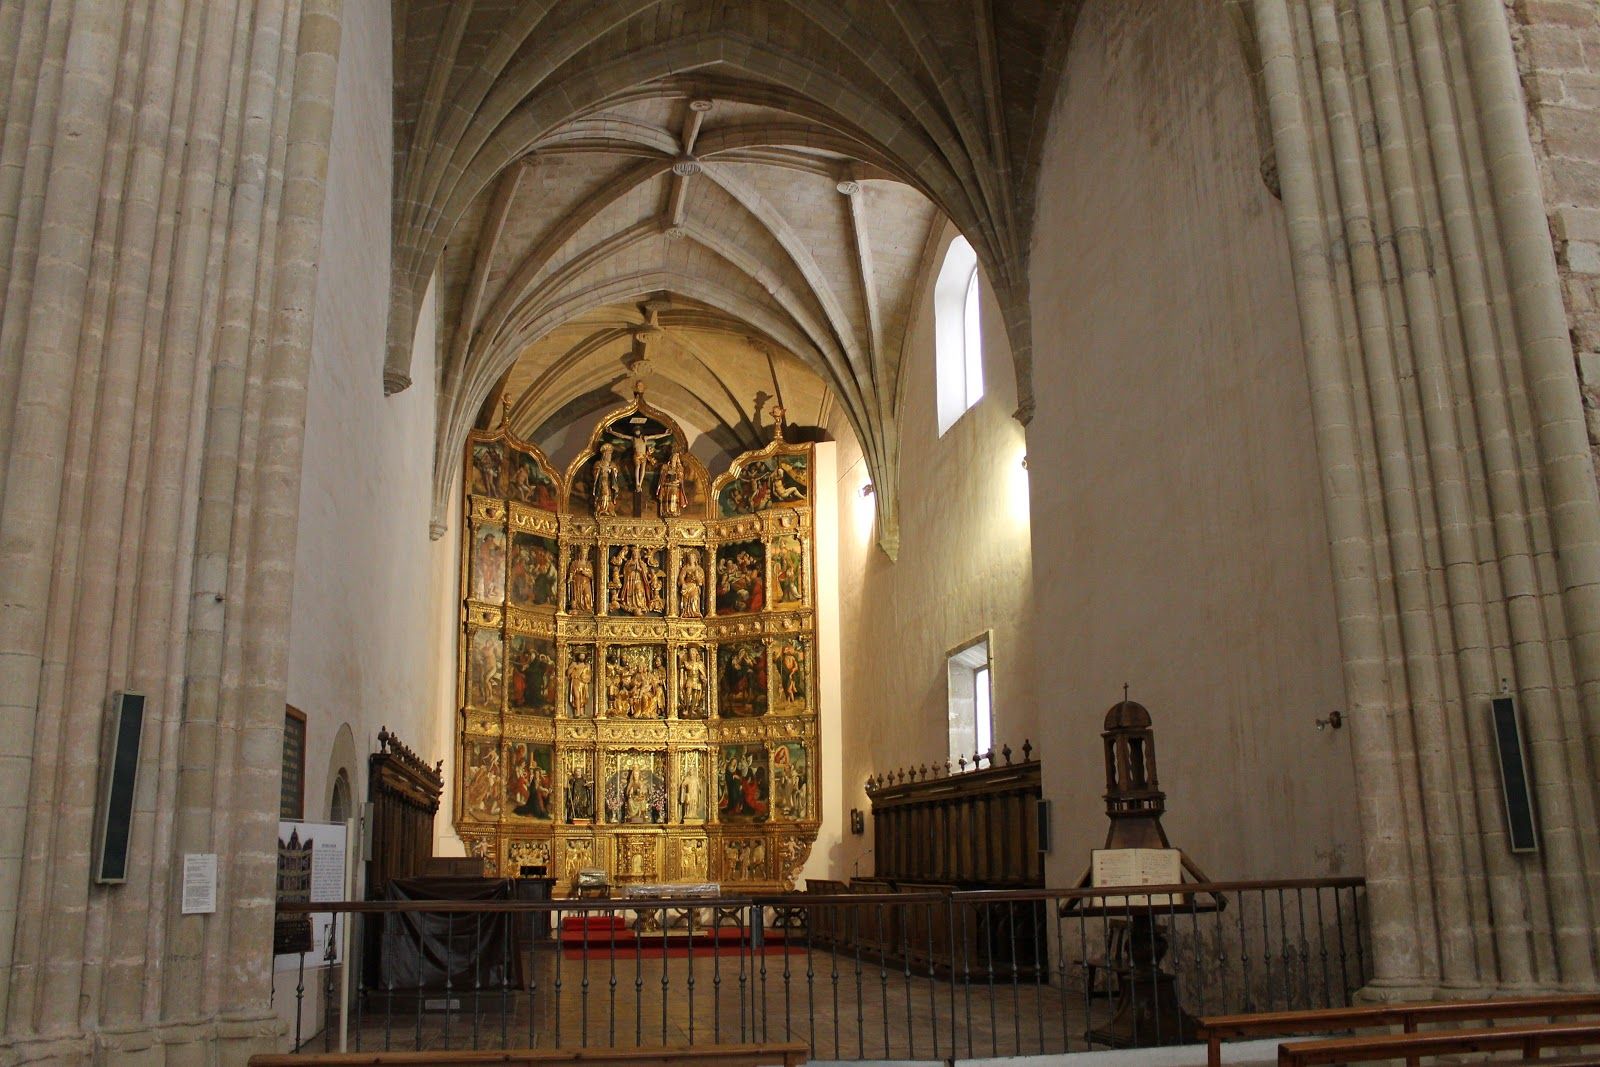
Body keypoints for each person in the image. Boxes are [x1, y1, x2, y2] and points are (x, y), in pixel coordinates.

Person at [591, 443, 620, 516]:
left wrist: (613, 470)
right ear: (604, 455)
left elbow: (616, 473)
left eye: (610, 455)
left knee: (609, 493)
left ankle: (609, 508)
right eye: (608, 455)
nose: (609, 457)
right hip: (602, 480)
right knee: (604, 493)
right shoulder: (599, 463)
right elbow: (595, 472)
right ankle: (602, 508)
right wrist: (600, 470)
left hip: (610, 481)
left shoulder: (612, 464)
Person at [656, 448, 686, 516]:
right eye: (673, 458)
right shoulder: (665, 467)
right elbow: (662, 477)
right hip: (667, 485)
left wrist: (677, 480)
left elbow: (681, 478)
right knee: (667, 498)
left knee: (674, 498)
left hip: (675, 486)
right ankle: (666, 511)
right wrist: (667, 474)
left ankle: (674, 511)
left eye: (675, 459)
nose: (674, 460)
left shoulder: (679, 468)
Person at [566, 545, 594, 613]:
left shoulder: (588, 564)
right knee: (577, 596)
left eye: (585, 554)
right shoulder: (575, 563)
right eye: (583, 553)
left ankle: (587, 608)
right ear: (580, 554)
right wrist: (570, 577)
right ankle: (577, 608)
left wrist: (585, 573)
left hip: (586, 583)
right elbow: (571, 572)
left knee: (587, 595)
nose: (584, 555)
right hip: (577, 582)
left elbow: (591, 575)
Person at [678, 549, 704, 617]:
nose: (690, 559)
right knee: (685, 600)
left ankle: (694, 612)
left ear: (696, 559)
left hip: (694, 586)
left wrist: (697, 576)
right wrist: (683, 583)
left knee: (694, 598)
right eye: (689, 557)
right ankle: (686, 612)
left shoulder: (699, 569)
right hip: (687, 586)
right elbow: (681, 577)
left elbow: (701, 582)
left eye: (692, 557)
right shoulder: (685, 568)